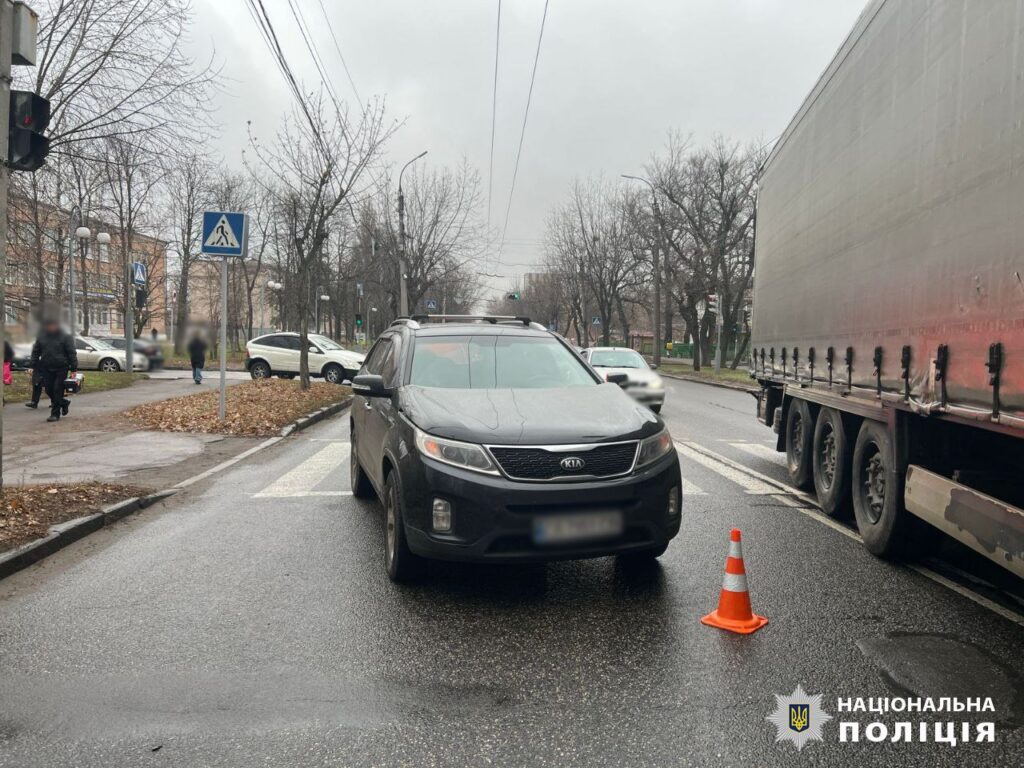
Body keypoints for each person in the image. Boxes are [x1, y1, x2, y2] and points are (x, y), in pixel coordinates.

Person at [30, 318, 77, 422]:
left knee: (57, 389)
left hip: (61, 367)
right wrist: (32, 365)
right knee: (48, 389)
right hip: (46, 367)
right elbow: (36, 352)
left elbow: (71, 353)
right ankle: (64, 402)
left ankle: (55, 414)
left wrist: (73, 369)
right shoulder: (42, 336)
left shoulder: (65, 336)